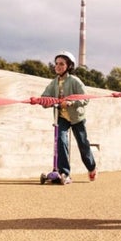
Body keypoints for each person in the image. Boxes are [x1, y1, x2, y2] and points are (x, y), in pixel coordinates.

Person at [40, 51, 97, 184]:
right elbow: (44, 97)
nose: (58, 66)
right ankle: (64, 172)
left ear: (69, 66)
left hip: (77, 117)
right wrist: (44, 102)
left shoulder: (74, 81)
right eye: (56, 64)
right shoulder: (53, 83)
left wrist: (72, 102)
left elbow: (85, 98)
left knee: (83, 144)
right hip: (62, 117)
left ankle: (92, 167)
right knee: (61, 140)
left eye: (61, 64)